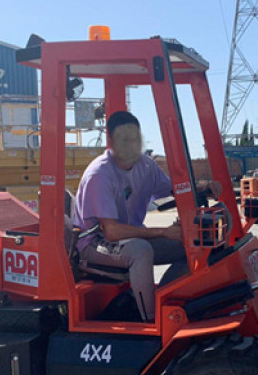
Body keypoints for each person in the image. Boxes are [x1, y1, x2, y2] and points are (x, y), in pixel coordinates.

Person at [72, 111, 219, 322]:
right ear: (111, 141)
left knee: (192, 243)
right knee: (140, 251)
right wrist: (164, 232)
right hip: (95, 244)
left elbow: (176, 190)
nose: (131, 145)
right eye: (125, 139)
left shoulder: (146, 166)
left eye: (135, 138)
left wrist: (203, 188)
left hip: (127, 238)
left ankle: (165, 300)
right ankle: (149, 319)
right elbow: (112, 232)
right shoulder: (100, 174)